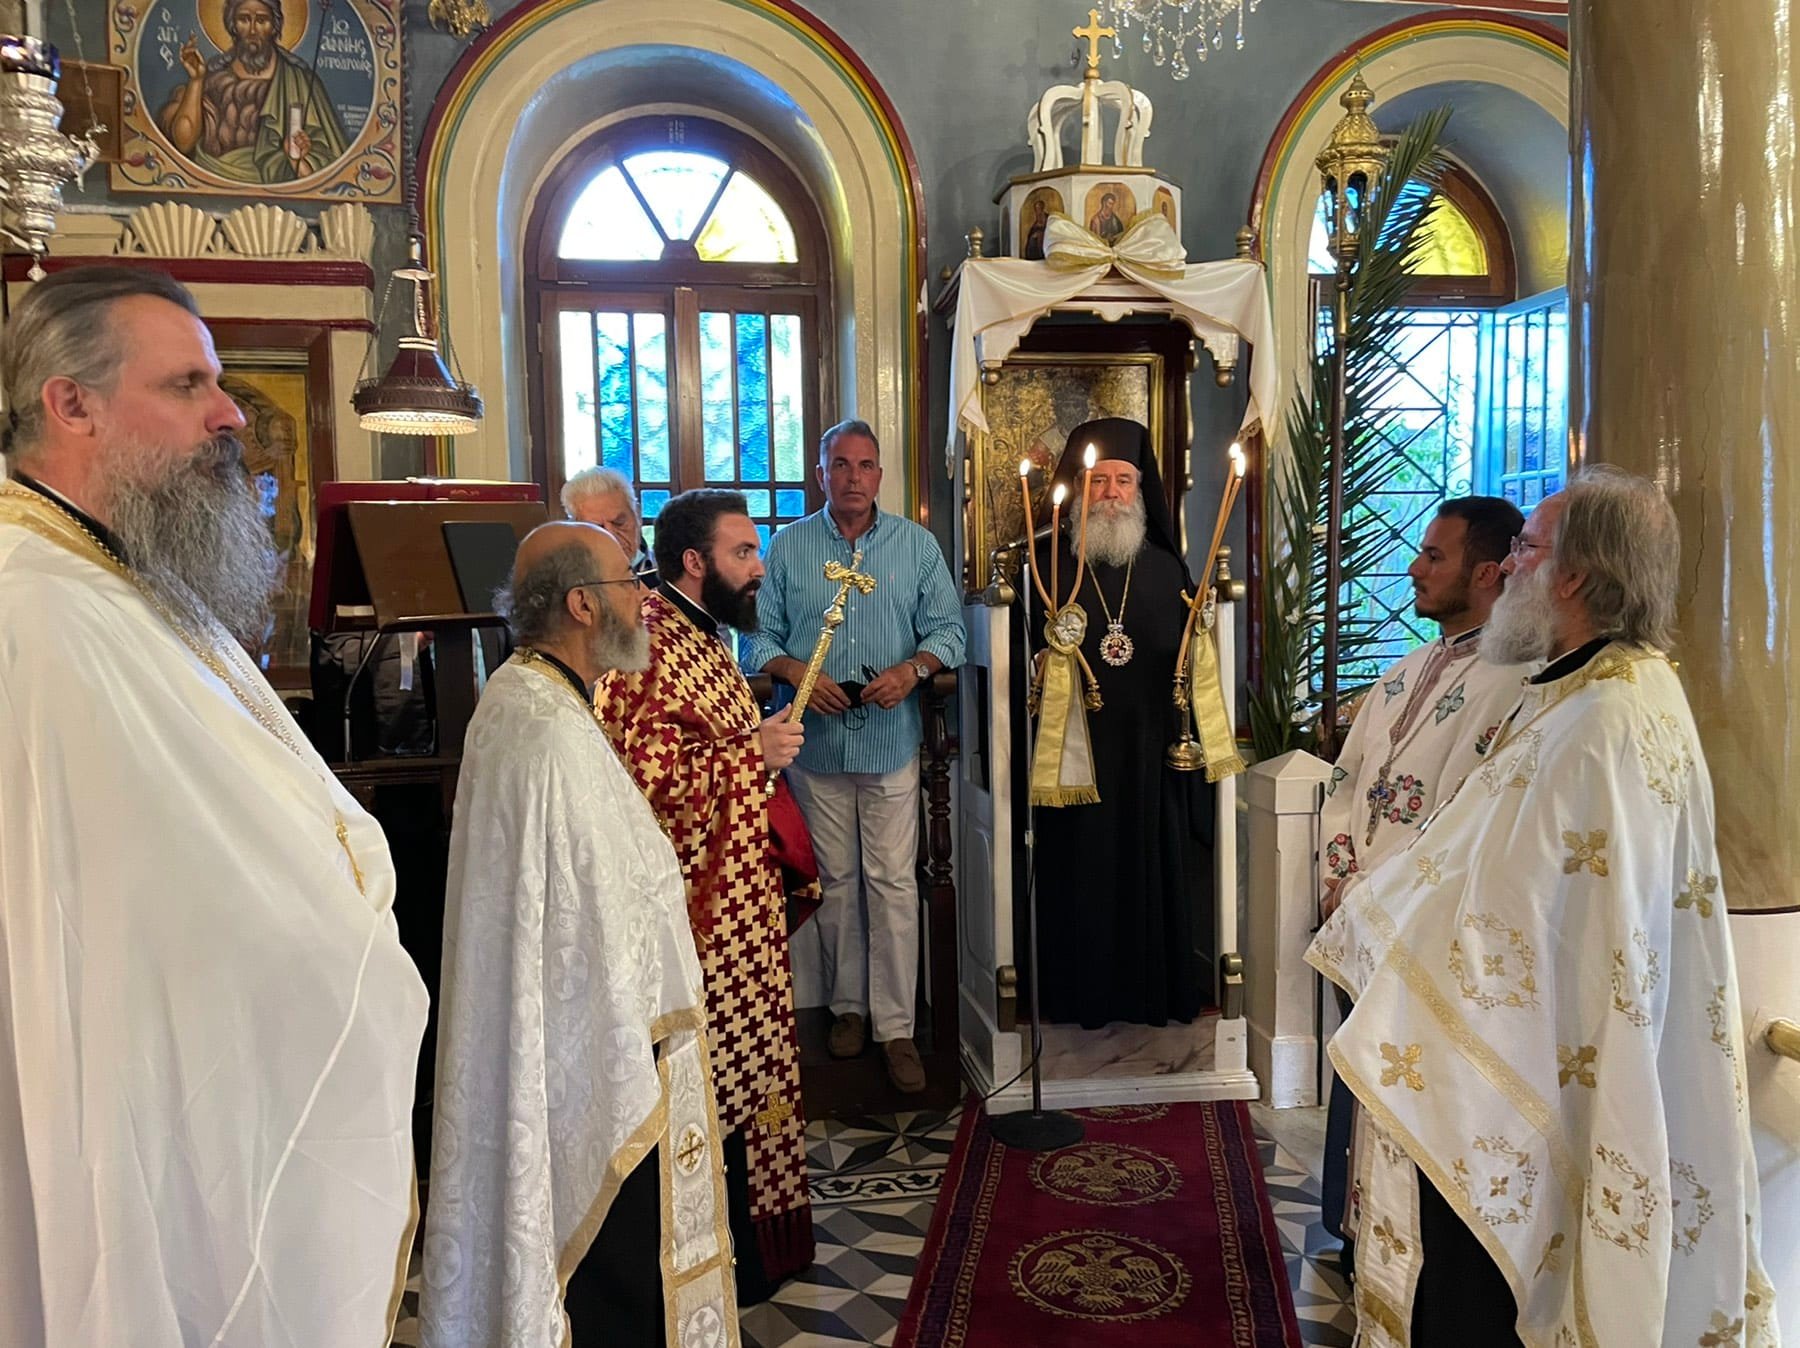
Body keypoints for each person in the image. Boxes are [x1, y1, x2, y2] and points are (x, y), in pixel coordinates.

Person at [0, 265, 426, 1344]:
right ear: (72, 403)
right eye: (188, 384)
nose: (230, 414)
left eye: (219, 383)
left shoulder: (118, 578)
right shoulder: (31, 609)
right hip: (116, 1112)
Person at [1307, 467, 1776, 1346]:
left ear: (1573, 576)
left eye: (1526, 548)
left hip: (1524, 1061)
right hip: (1521, 1048)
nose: (1511, 564)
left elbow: (1511, 897)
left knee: (1484, 1296)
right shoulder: (1589, 691)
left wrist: (1383, 916)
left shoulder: (1604, 719)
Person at [422, 521, 736, 1348]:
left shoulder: (526, 697)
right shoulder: (548, 729)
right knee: (615, 1276)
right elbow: (600, 908)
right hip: (595, 1050)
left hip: (570, 1030)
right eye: (629, 582)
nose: (643, 599)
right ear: (583, 605)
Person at [598, 488, 815, 1302]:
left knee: (753, 1082)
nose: (759, 568)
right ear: (695, 561)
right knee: (711, 1085)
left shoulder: (705, 634)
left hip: (740, 906)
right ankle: (708, 1260)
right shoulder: (648, 639)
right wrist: (751, 754)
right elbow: (643, 777)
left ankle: (757, 1250)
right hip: (699, 919)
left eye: (756, 551)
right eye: (743, 553)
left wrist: (752, 747)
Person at [1315, 497, 1534, 1253]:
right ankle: (1353, 1236)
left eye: (1434, 556)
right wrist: (1340, 876)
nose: (1415, 567)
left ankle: (1402, 1259)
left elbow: (1466, 818)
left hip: (1421, 923)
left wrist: (1374, 891)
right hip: (1360, 911)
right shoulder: (1405, 671)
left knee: (1410, 1093)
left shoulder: (1517, 685)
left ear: (1488, 572)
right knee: (1359, 1072)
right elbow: (1345, 782)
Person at [742, 420, 966, 1093]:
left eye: (866, 465)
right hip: (815, 746)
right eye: (840, 464)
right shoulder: (788, 548)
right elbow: (756, 639)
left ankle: (896, 1026)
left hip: (892, 741)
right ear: (820, 474)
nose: (853, 477)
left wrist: (913, 671)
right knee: (836, 881)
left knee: (892, 882)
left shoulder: (915, 546)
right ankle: (848, 1009)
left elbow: (951, 632)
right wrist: (798, 673)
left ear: (880, 476)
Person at [1029, 417, 1208, 1028]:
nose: (1110, 492)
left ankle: (1150, 993)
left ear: (1141, 490)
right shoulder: (1045, 567)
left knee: (1148, 865)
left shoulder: (1167, 570)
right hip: (1074, 757)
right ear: (1079, 489)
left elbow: (1190, 665)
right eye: (1098, 480)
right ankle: (1079, 997)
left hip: (1147, 752)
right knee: (1080, 871)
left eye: (1123, 481)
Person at [158, 0, 351, 184]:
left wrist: (296, 158)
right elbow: (183, 143)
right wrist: (196, 80)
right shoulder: (213, 79)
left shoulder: (300, 82)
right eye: (243, 19)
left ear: (274, 26)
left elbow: (325, 169)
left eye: (261, 20)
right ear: (233, 25)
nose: (252, 30)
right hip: (211, 183)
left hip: (278, 196)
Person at [563, 462, 654, 584]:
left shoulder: (671, 574)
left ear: (637, 515)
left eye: (619, 522)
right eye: (597, 528)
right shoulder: (565, 583)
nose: (612, 537)